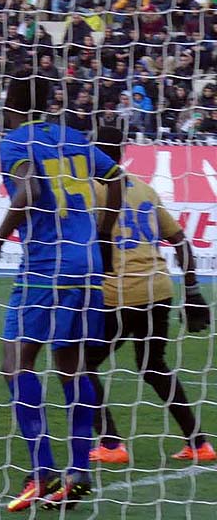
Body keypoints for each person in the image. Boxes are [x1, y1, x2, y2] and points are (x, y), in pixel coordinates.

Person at [0, 77, 124, 511]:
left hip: (45, 266)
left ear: (11, 105)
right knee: (72, 367)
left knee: (15, 362)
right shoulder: (74, 137)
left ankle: (42, 470)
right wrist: (102, 235)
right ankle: (79, 470)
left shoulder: (14, 142)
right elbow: (116, 178)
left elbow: (30, 191)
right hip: (86, 264)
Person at [84, 126, 215, 464]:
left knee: (82, 365)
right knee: (153, 365)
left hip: (119, 292)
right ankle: (199, 443)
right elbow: (181, 241)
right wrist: (192, 290)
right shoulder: (144, 189)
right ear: (121, 153)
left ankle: (111, 445)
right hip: (158, 289)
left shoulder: (91, 191)